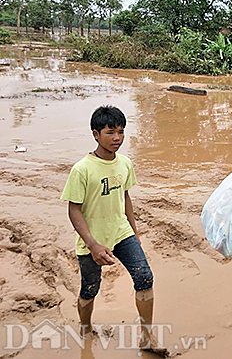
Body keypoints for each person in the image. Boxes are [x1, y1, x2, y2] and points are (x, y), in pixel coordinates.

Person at [60, 106, 166, 356]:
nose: (117, 138)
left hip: (121, 233)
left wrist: (135, 233)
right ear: (96, 134)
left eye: (121, 132)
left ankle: (147, 337)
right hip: (92, 239)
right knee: (90, 288)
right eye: (110, 132)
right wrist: (92, 243)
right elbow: (74, 210)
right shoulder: (82, 170)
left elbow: (125, 197)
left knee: (145, 278)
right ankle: (85, 328)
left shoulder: (125, 164)